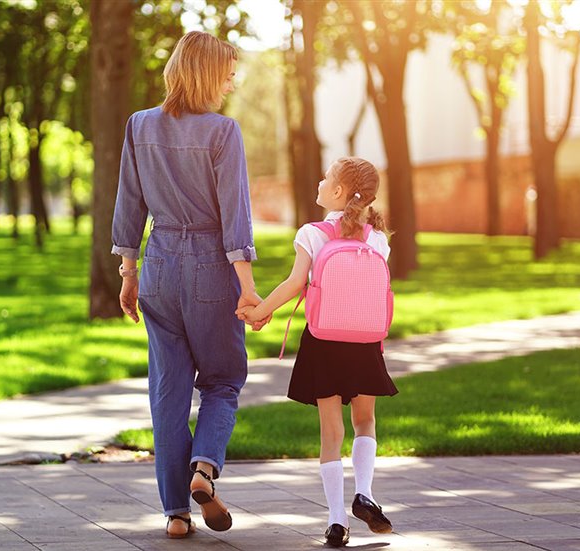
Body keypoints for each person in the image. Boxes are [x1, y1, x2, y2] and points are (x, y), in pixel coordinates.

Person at [111, 30, 269, 539]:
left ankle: (176, 512)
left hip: (157, 265)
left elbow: (128, 206)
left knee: (169, 392)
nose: (230, 82)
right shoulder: (223, 132)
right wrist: (247, 287)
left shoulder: (139, 126)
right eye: (226, 73)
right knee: (223, 381)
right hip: (210, 268)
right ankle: (204, 469)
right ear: (205, 74)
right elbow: (235, 218)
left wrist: (128, 274)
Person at [236, 157, 398, 547]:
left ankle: (337, 520)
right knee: (365, 422)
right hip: (364, 343)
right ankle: (365, 493)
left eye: (325, 178)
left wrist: (259, 312)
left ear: (339, 192)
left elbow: (295, 283)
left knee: (331, 433)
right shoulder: (378, 239)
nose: (319, 182)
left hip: (324, 342)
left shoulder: (312, 233)